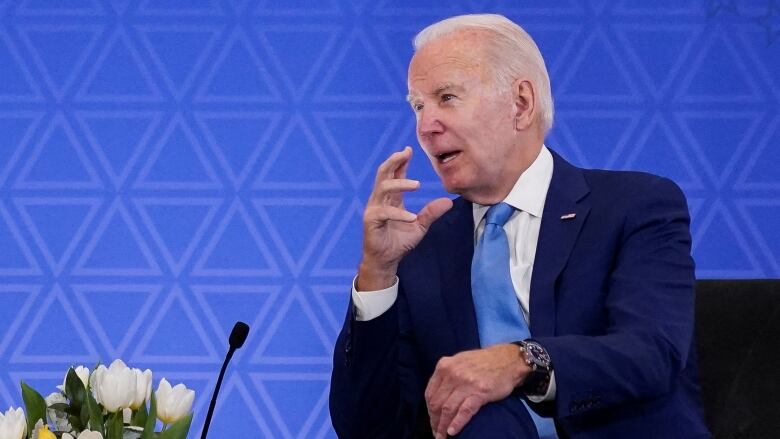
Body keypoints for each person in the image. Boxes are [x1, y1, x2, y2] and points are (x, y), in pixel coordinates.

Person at [329, 13, 711, 439]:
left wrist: (520, 360)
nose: (426, 126)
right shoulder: (423, 245)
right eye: (418, 105)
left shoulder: (633, 206)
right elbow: (367, 429)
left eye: (447, 97)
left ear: (521, 103)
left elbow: (650, 352)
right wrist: (378, 273)